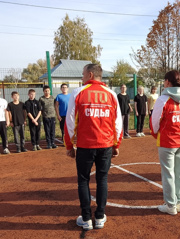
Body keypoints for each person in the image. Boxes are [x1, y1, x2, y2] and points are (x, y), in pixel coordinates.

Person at [64, 64, 123, 231]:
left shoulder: (78, 93)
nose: (82, 78)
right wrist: (116, 145)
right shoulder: (111, 94)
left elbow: (69, 122)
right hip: (105, 145)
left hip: (85, 145)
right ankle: (99, 217)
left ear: (90, 74)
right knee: (102, 180)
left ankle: (86, 218)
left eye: (83, 74)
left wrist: (69, 145)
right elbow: (117, 123)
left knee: (83, 180)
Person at [150, 70, 180, 215]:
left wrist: (155, 133)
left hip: (167, 141)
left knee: (168, 174)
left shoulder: (163, 99)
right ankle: (179, 202)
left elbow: (155, 121)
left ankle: (171, 205)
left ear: (167, 82)